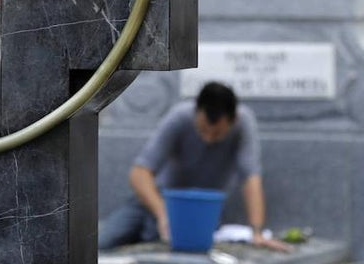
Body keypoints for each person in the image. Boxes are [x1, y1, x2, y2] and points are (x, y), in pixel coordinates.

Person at [98, 81, 289, 251]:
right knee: (103, 243)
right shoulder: (180, 116)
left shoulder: (244, 123)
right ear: (197, 112)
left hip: (200, 212)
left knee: (169, 250)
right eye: (204, 130)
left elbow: (250, 178)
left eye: (217, 134)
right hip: (154, 201)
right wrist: (164, 214)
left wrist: (256, 231)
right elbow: (139, 173)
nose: (208, 139)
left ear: (233, 121)